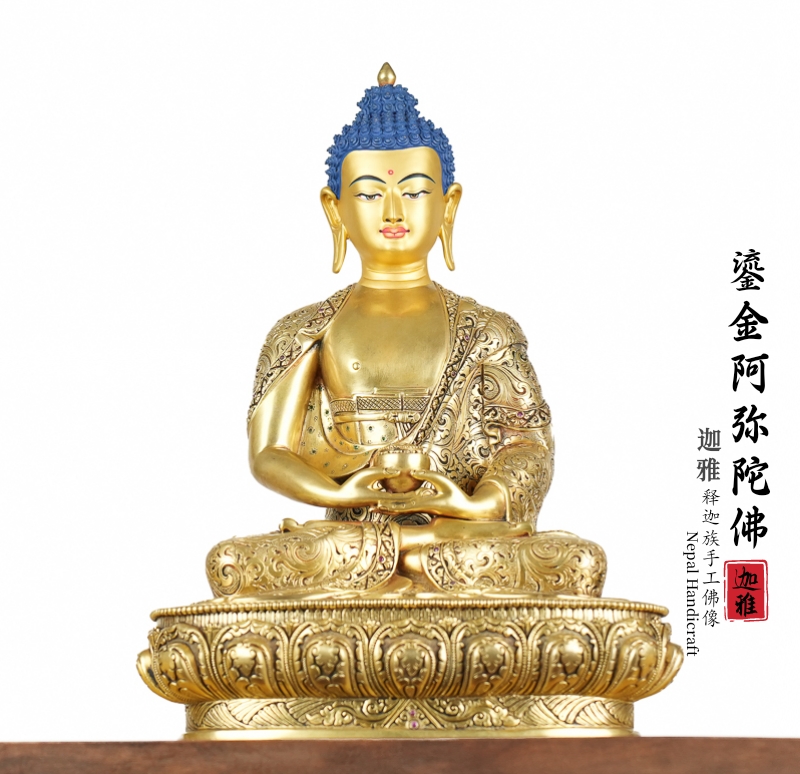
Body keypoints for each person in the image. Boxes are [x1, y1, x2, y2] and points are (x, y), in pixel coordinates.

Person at [206, 65, 604, 599]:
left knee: (576, 562)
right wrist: (341, 495)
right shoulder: (305, 330)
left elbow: (527, 445)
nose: (393, 211)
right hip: (348, 538)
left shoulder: (489, 331)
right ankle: (406, 560)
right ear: (335, 210)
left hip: (460, 532)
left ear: (448, 205)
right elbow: (270, 452)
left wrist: (476, 503)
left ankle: (405, 561)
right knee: (231, 562)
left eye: (414, 192)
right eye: (370, 195)